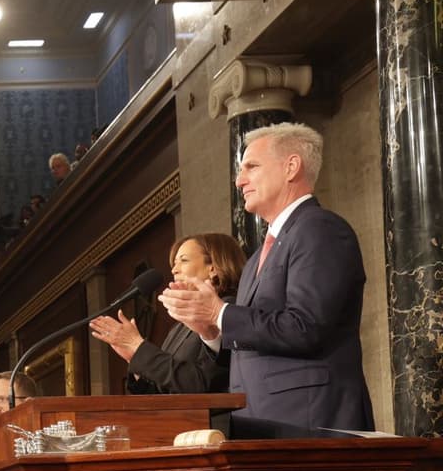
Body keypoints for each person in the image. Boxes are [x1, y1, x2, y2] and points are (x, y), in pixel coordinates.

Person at [159, 122, 374, 437]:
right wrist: (211, 331)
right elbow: (252, 342)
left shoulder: (320, 230)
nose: (239, 180)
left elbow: (306, 327)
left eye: (251, 167)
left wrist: (219, 313)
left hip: (311, 423)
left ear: (291, 167)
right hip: (259, 424)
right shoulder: (260, 254)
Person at [91, 234, 244, 395]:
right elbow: (162, 394)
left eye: (184, 260)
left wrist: (138, 347)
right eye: (174, 263)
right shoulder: (178, 328)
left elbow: (201, 384)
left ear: (213, 267)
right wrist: (134, 358)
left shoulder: (229, 310)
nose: (174, 269)